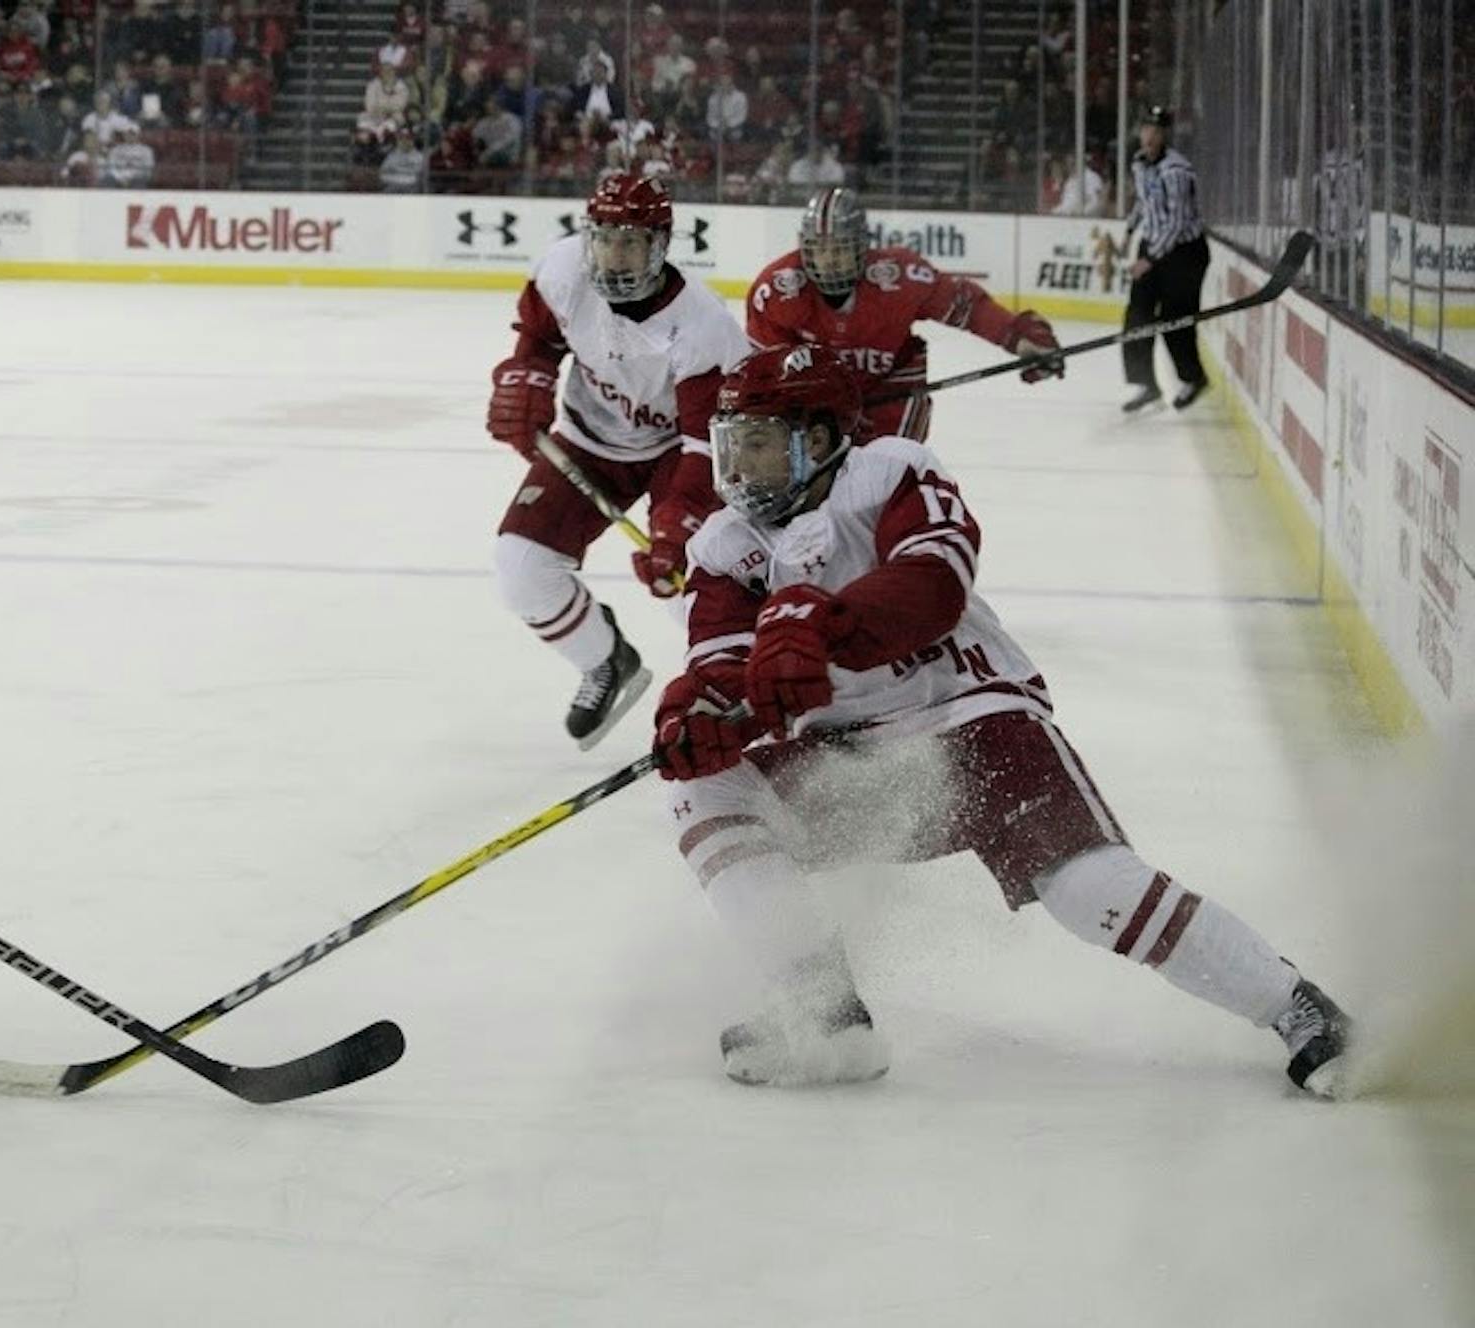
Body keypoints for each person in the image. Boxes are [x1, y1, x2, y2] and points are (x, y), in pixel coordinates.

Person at [650, 344, 1353, 1096]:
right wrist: (701, 710)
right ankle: (823, 1008)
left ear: (815, 440)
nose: (738, 469)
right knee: (707, 787)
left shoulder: (890, 471)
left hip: (972, 719)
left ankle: (1294, 1004)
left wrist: (818, 627)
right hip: (855, 758)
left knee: (1091, 890)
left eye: (756, 443)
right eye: (731, 445)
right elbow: (722, 660)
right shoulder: (725, 545)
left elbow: (933, 587)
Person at [485, 173, 748, 748]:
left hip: (674, 455)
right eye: (603, 239)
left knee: (694, 593)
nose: (613, 255)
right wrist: (528, 380)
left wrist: (677, 521)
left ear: (660, 246)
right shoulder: (561, 272)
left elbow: (709, 444)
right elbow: (539, 339)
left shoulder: (704, 327)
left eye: (630, 242)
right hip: (587, 440)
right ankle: (606, 662)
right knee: (521, 567)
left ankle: (740, 704)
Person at [746, 186, 1063, 443]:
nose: (828, 260)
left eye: (840, 248)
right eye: (819, 248)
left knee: (885, 481)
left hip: (890, 394)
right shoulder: (776, 291)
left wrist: (1018, 337)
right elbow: (767, 373)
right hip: (816, 405)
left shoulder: (900, 278)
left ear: (862, 247)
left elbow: (966, 307)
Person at [1121, 105, 1210, 412]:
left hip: (1184, 252)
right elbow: (1144, 202)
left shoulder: (1177, 171)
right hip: (1154, 245)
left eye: (1157, 131)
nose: (1150, 136)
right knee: (1137, 315)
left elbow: (1177, 222)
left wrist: (1150, 259)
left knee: (1176, 319)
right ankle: (1146, 383)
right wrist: (1130, 230)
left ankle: (1192, 376)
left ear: (1164, 136)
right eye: (1146, 129)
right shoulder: (1139, 163)